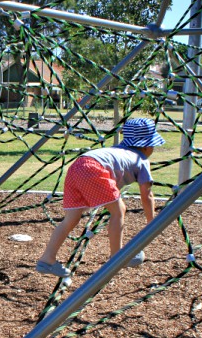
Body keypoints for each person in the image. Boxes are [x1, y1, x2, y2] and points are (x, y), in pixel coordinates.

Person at [36, 117, 165, 277]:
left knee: (72, 218)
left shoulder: (116, 150)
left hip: (78, 165)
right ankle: (117, 257)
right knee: (119, 210)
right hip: (94, 168)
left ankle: (47, 259)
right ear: (146, 146)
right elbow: (147, 195)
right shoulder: (141, 160)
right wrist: (152, 223)